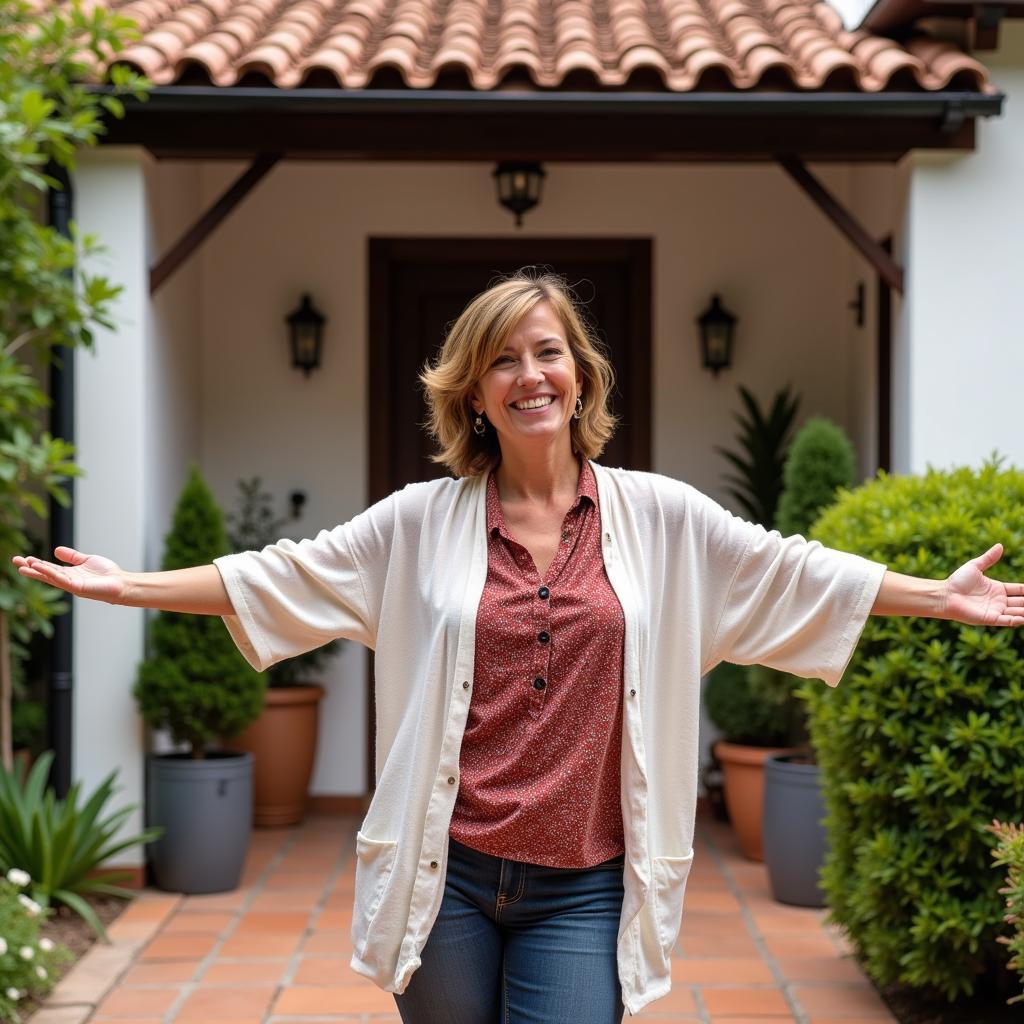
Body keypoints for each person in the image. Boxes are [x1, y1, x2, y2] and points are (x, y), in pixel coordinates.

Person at [12, 270, 1024, 1023]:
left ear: (580, 375)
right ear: (474, 391)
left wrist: (939, 596)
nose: (528, 373)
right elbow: (277, 573)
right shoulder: (419, 521)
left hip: (583, 882)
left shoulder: (662, 518)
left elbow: (795, 572)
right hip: (445, 872)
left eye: (546, 351)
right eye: (502, 357)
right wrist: (125, 584)